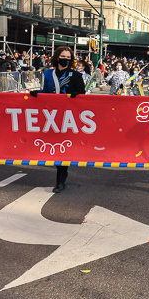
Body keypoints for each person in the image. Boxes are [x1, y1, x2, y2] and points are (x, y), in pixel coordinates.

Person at [30, 46, 86, 193]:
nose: (65, 59)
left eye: (68, 57)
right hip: (51, 115)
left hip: (68, 115)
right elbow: (46, 91)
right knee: (53, 144)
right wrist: (37, 93)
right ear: (57, 57)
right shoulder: (48, 74)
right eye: (63, 56)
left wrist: (76, 94)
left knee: (63, 146)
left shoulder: (75, 75)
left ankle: (60, 181)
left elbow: (82, 94)